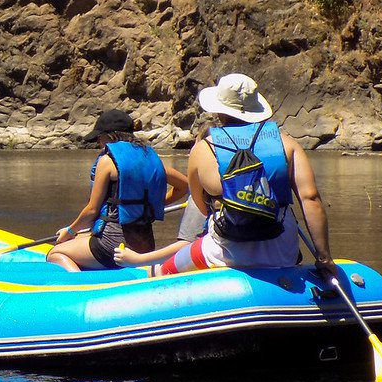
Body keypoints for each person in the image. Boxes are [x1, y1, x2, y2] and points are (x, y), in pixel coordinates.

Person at [116, 74, 338, 278]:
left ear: (219, 111)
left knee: (163, 271)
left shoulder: (204, 149)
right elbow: (311, 200)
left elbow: (202, 208)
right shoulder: (287, 144)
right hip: (282, 250)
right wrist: (324, 256)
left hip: (225, 249)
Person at [46, 109, 189, 272]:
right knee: (80, 237)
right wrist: (152, 205)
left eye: (100, 137)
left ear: (111, 136)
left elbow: (92, 210)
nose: (99, 141)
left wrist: (69, 231)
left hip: (113, 247)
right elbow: (184, 186)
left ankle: (80, 285)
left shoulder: (107, 161)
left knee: (55, 252)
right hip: (145, 247)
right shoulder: (150, 158)